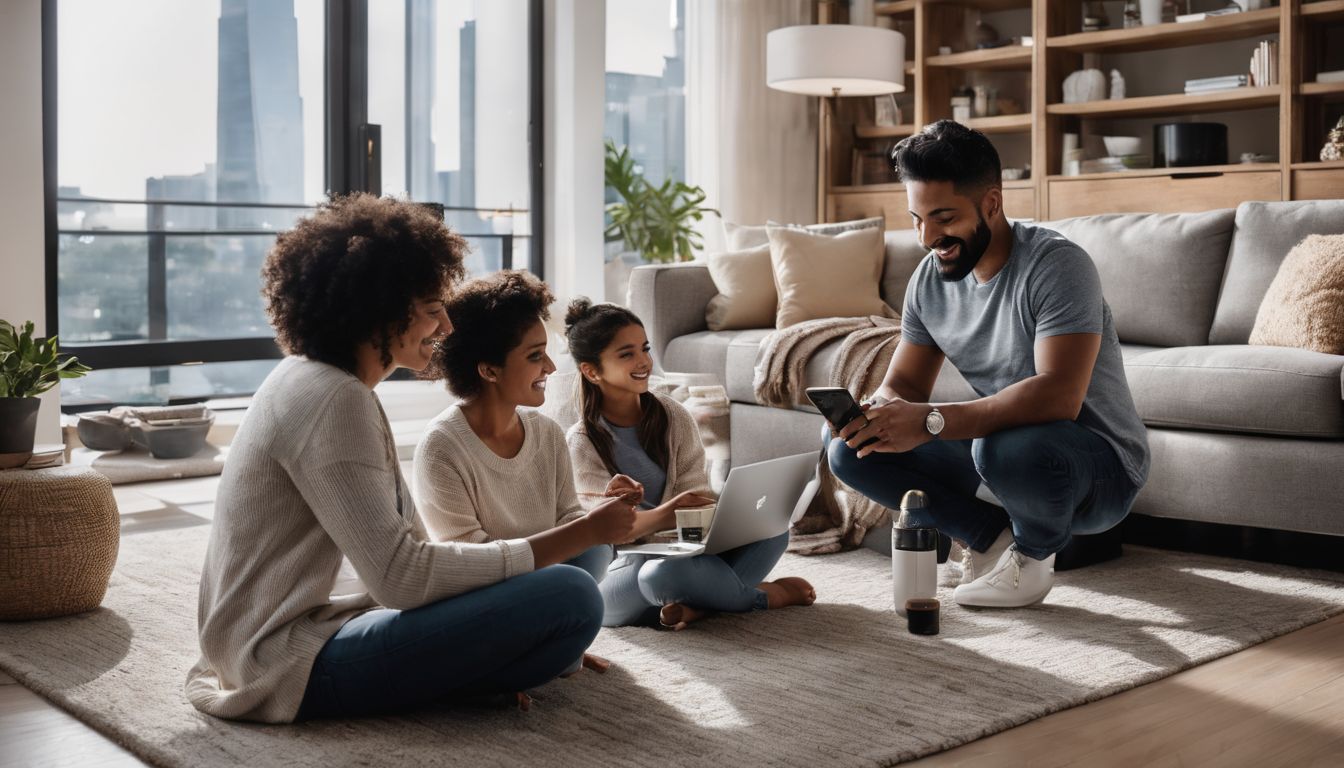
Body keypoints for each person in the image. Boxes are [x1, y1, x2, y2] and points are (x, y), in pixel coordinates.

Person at [186, 195, 636, 723]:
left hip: (306, 629)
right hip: (288, 659)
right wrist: (576, 538)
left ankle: (489, 663)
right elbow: (400, 578)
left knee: (571, 572)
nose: (446, 329)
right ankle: (488, 667)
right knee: (570, 594)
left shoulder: (316, 380)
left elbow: (407, 549)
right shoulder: (334, 399)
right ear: (380, 313)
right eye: (430, 311)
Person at [825, 120, 1149, 609]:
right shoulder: (929, 281)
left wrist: (932, 421)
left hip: (1098, 467)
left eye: (943, 217)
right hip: (1001, 447)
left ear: (991, 204)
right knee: (849, 448)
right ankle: (992, 540)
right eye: (916, 218)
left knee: (1001, 447)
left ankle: (1034, 558)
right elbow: (906, 383)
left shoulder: (1057, 265)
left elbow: (1059, 394)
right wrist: (879, 412)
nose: (927, 236)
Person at [413, 270, 630, 671]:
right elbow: (466, 564)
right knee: (576, 580)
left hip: (547, 579)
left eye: (546, 352)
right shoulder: (441, 447)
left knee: (596, 549)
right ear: (489, 370)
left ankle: (553, 640)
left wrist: (598, 516)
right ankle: (538, 646)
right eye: (534, 356)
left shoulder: (546, 432)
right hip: (483, 596)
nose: (549, 366)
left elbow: (569, 518)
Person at [564, 298, 816, 630]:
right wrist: (665, 515)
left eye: (645, 348)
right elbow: (605, 531)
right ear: (591, 371)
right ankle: (761, 597)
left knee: (773, 531)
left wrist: (704, 534)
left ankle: (697, 603)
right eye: (626, 354)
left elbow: (695, 498)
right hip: (621, 570)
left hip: (685, 553)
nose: (643, 362)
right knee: (656, 576)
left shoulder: (673, 416)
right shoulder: (581, 440)